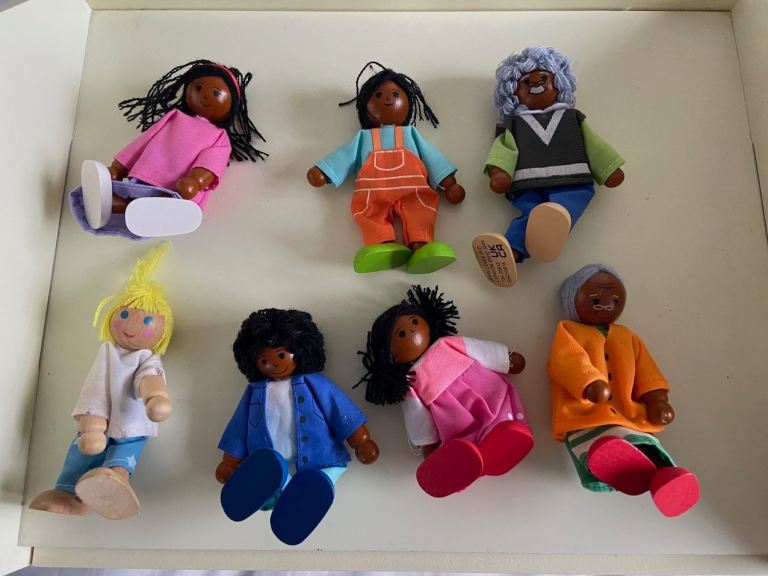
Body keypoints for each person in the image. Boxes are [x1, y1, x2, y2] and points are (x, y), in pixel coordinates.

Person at [29, 243, 174, 519]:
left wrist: (156, 398)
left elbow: (148, 379)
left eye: (145, 320)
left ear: (162, 330)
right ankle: (67, 494)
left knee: (121, 459)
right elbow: (95, 388)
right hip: (101, 421)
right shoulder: (107, 352)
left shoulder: (147, 358)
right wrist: (92, 426)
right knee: (82, 452)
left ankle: (116, 482)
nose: (130, 326)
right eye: (124, 315)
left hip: (132, 424)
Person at [216, 308, 378, 545]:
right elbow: (239, 426)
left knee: (320, 479)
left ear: (301, 350)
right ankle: (274, 491)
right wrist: (230, 462)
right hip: (268, 461)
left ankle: (301, 494)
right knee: (270, 474)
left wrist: (361, 440)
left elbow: (338, 408)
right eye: (263, 360)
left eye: (281, 355)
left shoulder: (314, 383)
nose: (272, 364)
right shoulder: (255, 392)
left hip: (320, 459)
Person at [548, 263, 699, 517]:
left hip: (629, 416)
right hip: (586, 415)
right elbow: (564, 361)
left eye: (614, 300)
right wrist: (588, 383)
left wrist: (657, 401)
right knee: (600, 445)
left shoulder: (628, 337)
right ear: (572, 300)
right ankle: (619, 468)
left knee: (645, 443)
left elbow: (647, 372)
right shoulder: (569, 331)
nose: (606, 305)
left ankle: (666, 479)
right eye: (596, 300)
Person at [358, 285, 533, 497]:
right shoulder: (409, 382)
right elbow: (417, 415)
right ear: (389, 354)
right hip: (456, 420)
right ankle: (473, 461)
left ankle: (503, 440)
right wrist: (428, 445)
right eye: (401, 334)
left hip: (488, 393)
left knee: (498, 413)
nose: (411, 331)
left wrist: (505, 359)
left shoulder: (447, 344)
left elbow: (478, 350)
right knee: (464, 442)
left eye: (414, 322)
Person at [473, 47, 624, 286]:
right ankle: (514, 251)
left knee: (564, 206)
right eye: (525, 81)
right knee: (532, 211)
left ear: (559, 82)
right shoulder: (514, 125)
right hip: (527, 183)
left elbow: (594, 145)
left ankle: (523, 243)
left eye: (544, 77)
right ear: (512, 92)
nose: (535, 82)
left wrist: (607, 167)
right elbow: (504, 150)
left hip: (572, 180)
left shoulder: (572, 119)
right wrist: (500, 172)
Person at [70, 59, 266, 239]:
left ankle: (118, 207)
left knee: (160, 208)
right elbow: (144, 142)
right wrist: (119, 168)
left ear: (232, 105)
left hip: (179, 192)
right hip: (145, 177)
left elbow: (211, 164)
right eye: (198, 88)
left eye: (216, 93)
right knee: (141, 202)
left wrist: (196, 181)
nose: (206, 95)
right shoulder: (174, 117)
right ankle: (112, 204)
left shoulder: (219, 137)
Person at [307, 62, 465, 273]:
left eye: (395, 94)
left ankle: (421, 244)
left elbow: (431, 156)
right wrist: (325, 170)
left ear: (409, 101)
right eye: (379, 95)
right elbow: (344, 156)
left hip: (413, 189)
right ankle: (381, 243)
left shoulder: (411, 134)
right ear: (366, 105)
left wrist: (449, 182)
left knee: (420, 209)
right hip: (374, 193)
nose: (388, 99)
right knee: (370, 211)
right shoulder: (363, 138)